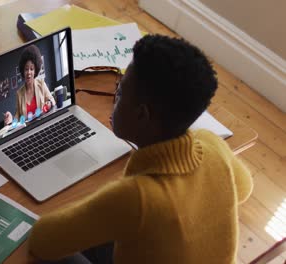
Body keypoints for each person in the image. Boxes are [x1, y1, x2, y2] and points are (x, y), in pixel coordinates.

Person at [28, 34, 253, 264]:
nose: (116, 98)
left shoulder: (136, 198)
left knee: (39, 255)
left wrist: (98, 205)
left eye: (121, 92)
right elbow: (244, 187)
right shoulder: (212, 144)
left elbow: (42, 239)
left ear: (141, 114)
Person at [3, 45, 55, 125]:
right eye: (26, 69)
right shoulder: (19, 94)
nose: (29, 72)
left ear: (35, 71)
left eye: (31, 69)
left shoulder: (41, 84)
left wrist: (49, 103)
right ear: (23, 71)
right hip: (28, 132)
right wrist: (10, 121)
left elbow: (52, 100)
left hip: (44, 125)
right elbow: (17, 119)